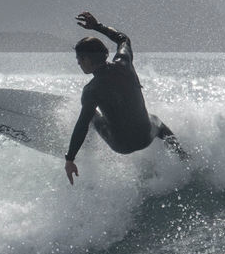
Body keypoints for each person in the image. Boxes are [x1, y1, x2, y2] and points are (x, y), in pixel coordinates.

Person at [64, 11, 183, 185]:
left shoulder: (92, 90)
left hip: (121, 145)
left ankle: (88, 151)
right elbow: (123, 39)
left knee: (91, 116)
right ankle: (183, 156)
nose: (78, 63)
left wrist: (70, 158)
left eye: (79, 59)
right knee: (155, 120)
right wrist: (98, 26)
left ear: (88, 59)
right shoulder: (124, 62)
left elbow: (81, 125)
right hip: (146, 136)